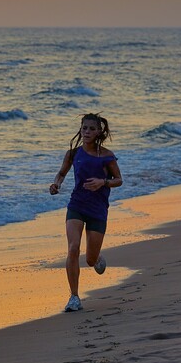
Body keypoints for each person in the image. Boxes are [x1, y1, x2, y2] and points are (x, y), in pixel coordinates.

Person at [49, 113, 123, 312]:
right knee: (73, 248)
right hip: (77, 205)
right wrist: (56, 184)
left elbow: (119, 179)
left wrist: (103, 182)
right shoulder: (73, 154)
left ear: (99, 132)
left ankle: (97, 258)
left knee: (90, 260)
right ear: (80, 130)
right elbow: (61, 173)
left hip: (98, 210)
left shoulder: (107, 156)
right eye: (84, 128)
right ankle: (74, 297)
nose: (87, 132)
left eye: (91, 129)